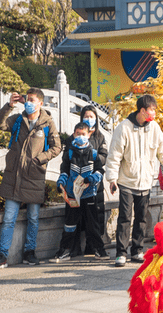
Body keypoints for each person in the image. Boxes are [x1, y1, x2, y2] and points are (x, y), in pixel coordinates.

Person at [106, 95, 163, 267]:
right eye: (152, 110)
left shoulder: (154, 128)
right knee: (125, 217)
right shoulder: (124, 128)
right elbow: (114, 155)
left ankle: (137, 250)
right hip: (127, 180)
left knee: (142, 218)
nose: (154, 113)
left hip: (145, 181)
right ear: (142, 111)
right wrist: (112, 178)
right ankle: (121, 253)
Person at [0, 88, 63, 267]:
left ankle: (30, 252)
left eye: (32, 100)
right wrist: (9, 106)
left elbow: (56, 147)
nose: (28, 102)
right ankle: (3, 254)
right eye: (27, 99)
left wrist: (39, 159)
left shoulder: (47, 123)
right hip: (15, 176)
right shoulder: (19, 120)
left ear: (40, 103)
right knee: (9, 218)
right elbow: (1, 124)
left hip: (34, 176)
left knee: (33, 217)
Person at [51, 121, 104, 263]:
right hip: (72, 195)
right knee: (69, 224)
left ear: (89, 134)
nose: (81, 136)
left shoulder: (93, 153)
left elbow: (100, 171)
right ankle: (65, 251)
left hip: (89, 194)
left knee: (92, 224)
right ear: (74, 134)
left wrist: (91, 179)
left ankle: (100, 250)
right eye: (78, 134)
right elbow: (64, 171)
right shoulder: (68, 152)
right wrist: (61, 183)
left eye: (84, 134)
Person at [69, 105, 109, 258]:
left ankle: (93, 247)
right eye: (86, 116)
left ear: (96, 119)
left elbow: (104, 158)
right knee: (75, 216)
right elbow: (67, 158)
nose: (89, 119)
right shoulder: (74, 136)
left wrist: (90, 157)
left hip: (94, 184)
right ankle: (74, 247)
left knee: (94, 217)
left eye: (92, 116)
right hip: (76, 184)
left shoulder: (100, 137)